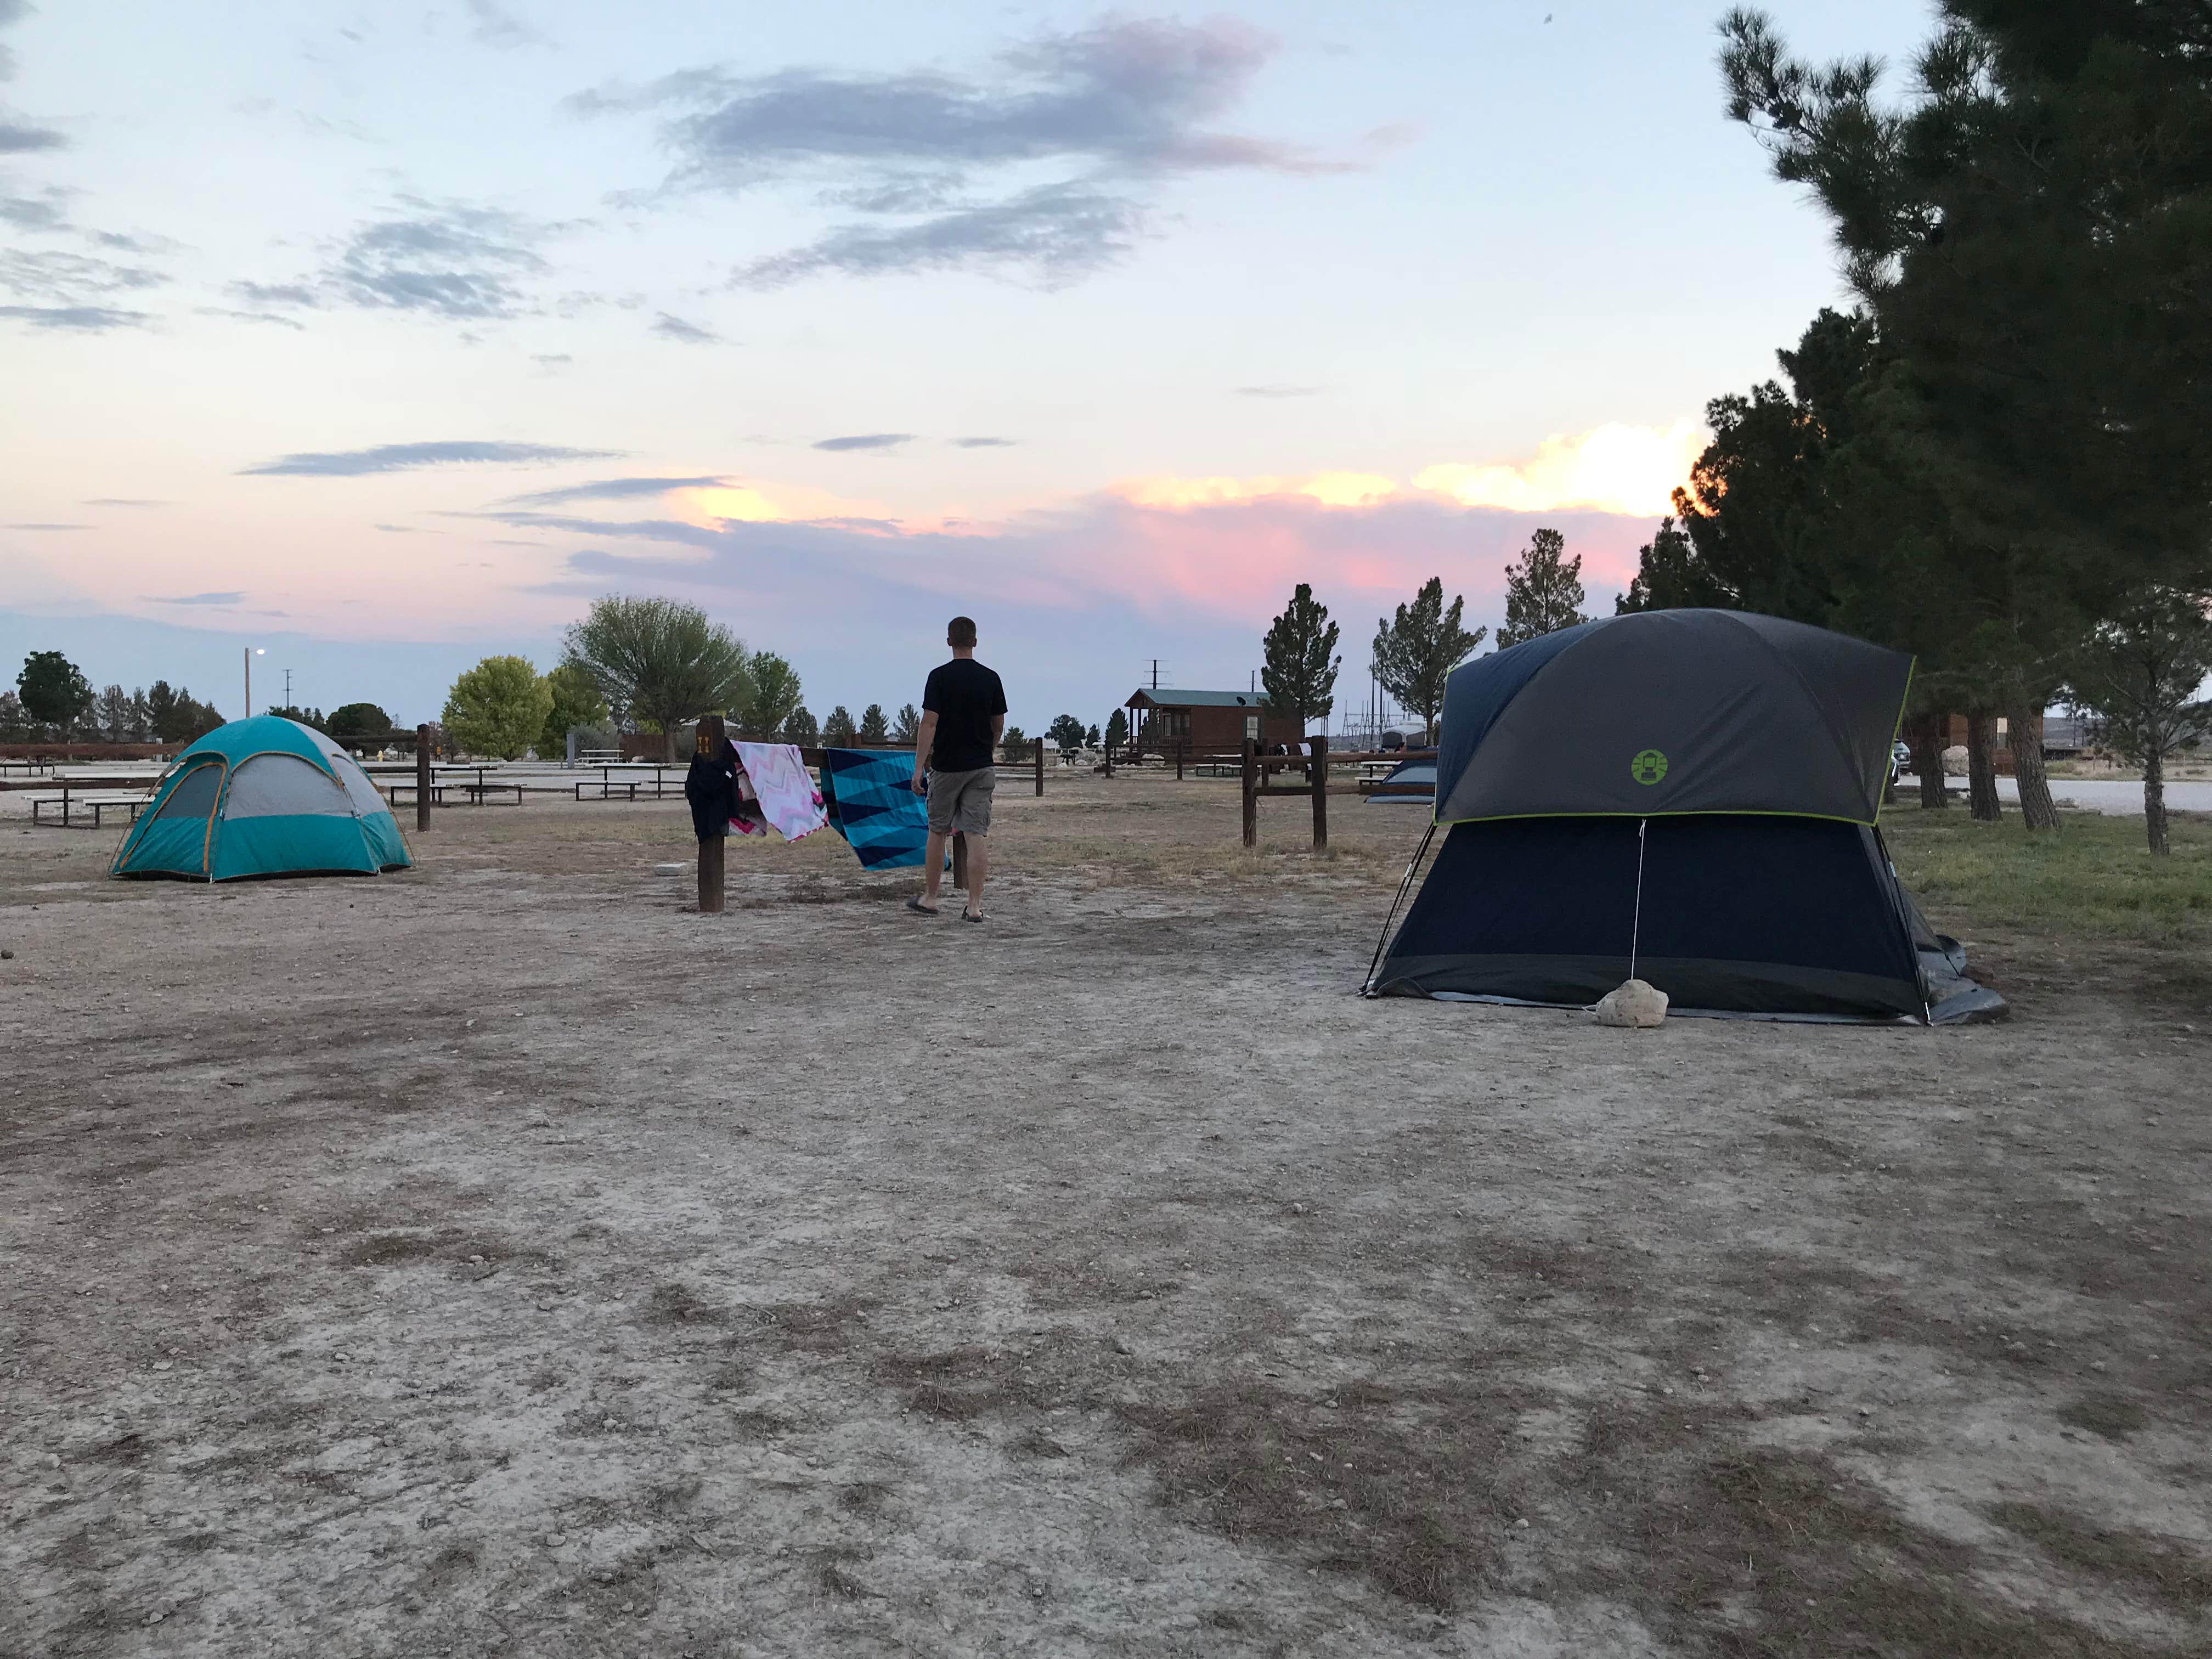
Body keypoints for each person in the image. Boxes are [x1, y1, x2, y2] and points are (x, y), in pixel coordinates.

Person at [906, 615, 1006, 922]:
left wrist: (919, 766)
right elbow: (998, 724)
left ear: (949, 641)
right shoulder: (991, 678)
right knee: (976, 834)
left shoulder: (938, 677)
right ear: (975, 642)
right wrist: (987, 750)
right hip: (980, 768)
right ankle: (974, 906)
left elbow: (930, 722)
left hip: (947, 768)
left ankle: (931, 898)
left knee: (937, 832)